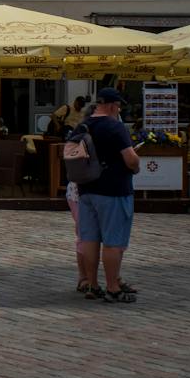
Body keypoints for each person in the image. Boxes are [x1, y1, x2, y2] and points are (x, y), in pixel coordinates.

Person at [75, 87, 140, 303]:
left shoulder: (82, 126)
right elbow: (130, 159)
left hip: (86, 189)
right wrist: (136, 165)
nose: (119, 109)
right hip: (113, 189)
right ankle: (113, 287)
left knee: (90, 240)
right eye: (118, 106)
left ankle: (92, 285)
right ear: (112, 105)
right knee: (113, 241)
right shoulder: (115, 127)